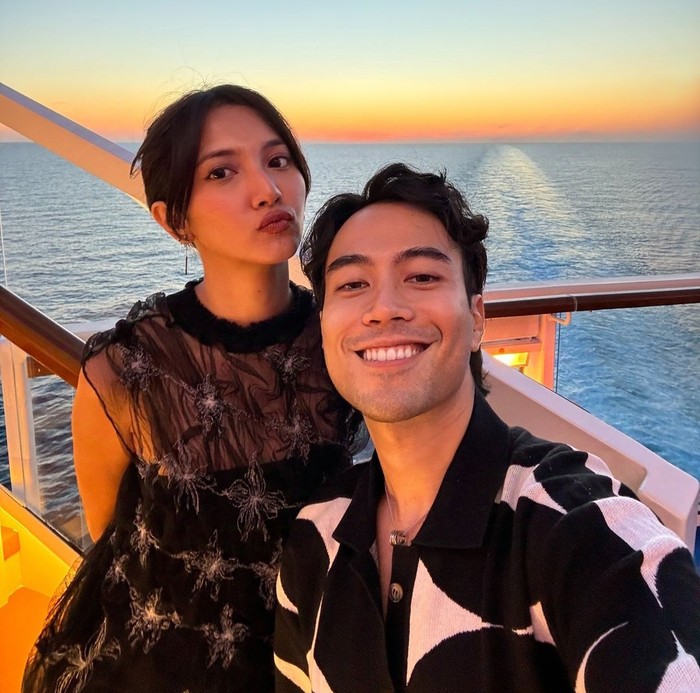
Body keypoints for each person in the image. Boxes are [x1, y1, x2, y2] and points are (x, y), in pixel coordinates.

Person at [274, 163, 700, 692]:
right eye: (353, 284)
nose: (383, 308)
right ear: (324, 328)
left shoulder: (573, 524)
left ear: (477, 319)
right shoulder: (316, 536)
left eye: (422, 277)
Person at [23, 84, 358, 693]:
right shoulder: (126, 370)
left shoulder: (344, 339)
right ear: (173, 220)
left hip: (311, 661)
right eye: (222, 172)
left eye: (278, 160)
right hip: (155, 667)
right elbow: (111, 535)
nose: (268, 189)